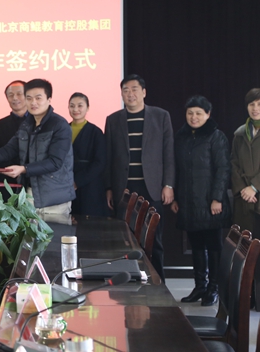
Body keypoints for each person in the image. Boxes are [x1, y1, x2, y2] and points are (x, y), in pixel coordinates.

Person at [104, 74, 175, 282]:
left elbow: (168, 154)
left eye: (134, 89)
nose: (130, 94)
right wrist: (109, 187)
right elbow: (109, 157)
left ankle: (158, 283)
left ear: (144, 92)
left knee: (154, 240)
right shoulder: (113, 119)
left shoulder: (161, 116)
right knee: (125, 241)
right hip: (124, 191)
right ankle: (130, 283)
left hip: (152, 188)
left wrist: (168, 184)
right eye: (125, 90)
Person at [0, 79, 75, 222]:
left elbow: (55, 162)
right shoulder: (26, 125)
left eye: (38, 98)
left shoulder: (60, 125)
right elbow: (8, 150)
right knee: (29, 235)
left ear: (49, 99)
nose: (33, 102)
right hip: (28, 195)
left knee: (53, 235)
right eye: (29, 98)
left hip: (54, 197)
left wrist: (23, 169)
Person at [171, 95, 231, 305]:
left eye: (198, 113)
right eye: (190, 113)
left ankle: (214, 289)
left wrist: (217, 198)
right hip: (188, 201)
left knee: (214, 246)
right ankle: (200, 287)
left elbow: (223, 169)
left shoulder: (216, 136)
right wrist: (175, 197)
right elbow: (177, 169)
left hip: (210, 202)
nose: (193, 117)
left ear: (208, 114)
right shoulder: (181, 136)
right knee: (196, 246)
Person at [68, 92, 107, 216]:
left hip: (90, 185)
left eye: (80, 106)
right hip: (66, 184)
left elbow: (100, 162)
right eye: (72, 106)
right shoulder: (63, 129)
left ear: (87, 108)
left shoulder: (96, 132)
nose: (75, 109)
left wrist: (78, 181)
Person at [232, 88, 260, 235]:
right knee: (245, 242)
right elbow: (233, 163)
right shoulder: (240, 134)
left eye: (259, 104)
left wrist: (254, 187)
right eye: (251, 104)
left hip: (256, 191)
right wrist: (244, 189)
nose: (255, 108)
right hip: (244, 199)